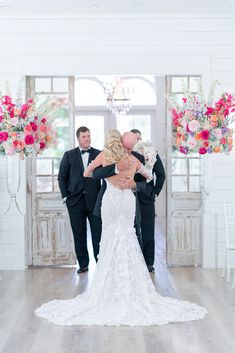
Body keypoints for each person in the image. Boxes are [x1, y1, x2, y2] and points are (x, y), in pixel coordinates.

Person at [35, 129, 207, 326]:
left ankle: (114, 284)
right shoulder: (123, 158)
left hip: (119, 200)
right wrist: (120, 174)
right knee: (121, 236)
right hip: (120, 201)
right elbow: (148, 176)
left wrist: (130, 182)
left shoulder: (114, 156)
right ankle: (121, 282)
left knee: (118, 236)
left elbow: (89, 172)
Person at [58, 126, 102, 274]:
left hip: (95, 201)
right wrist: (65, 197)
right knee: (79, 233)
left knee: (98, 233)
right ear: (78, 138)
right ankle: (83, 264)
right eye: (84, 136)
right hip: (75, 202)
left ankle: (100, 261)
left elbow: (107, 177)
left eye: (89, 136)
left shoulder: (99, 154)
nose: (87, 139)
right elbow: (61, 177)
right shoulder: (69, 155)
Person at [131, 129, 166, 273]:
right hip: (128, 197)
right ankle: (133, 262)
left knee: (148, 230)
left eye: (140, 138)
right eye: (135, 139)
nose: (138, 141)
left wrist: (155, 193)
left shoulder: (151, 153)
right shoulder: (126, 155)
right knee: (131, 230)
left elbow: (161, 175)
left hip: (147, 197)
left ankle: (149, 262)